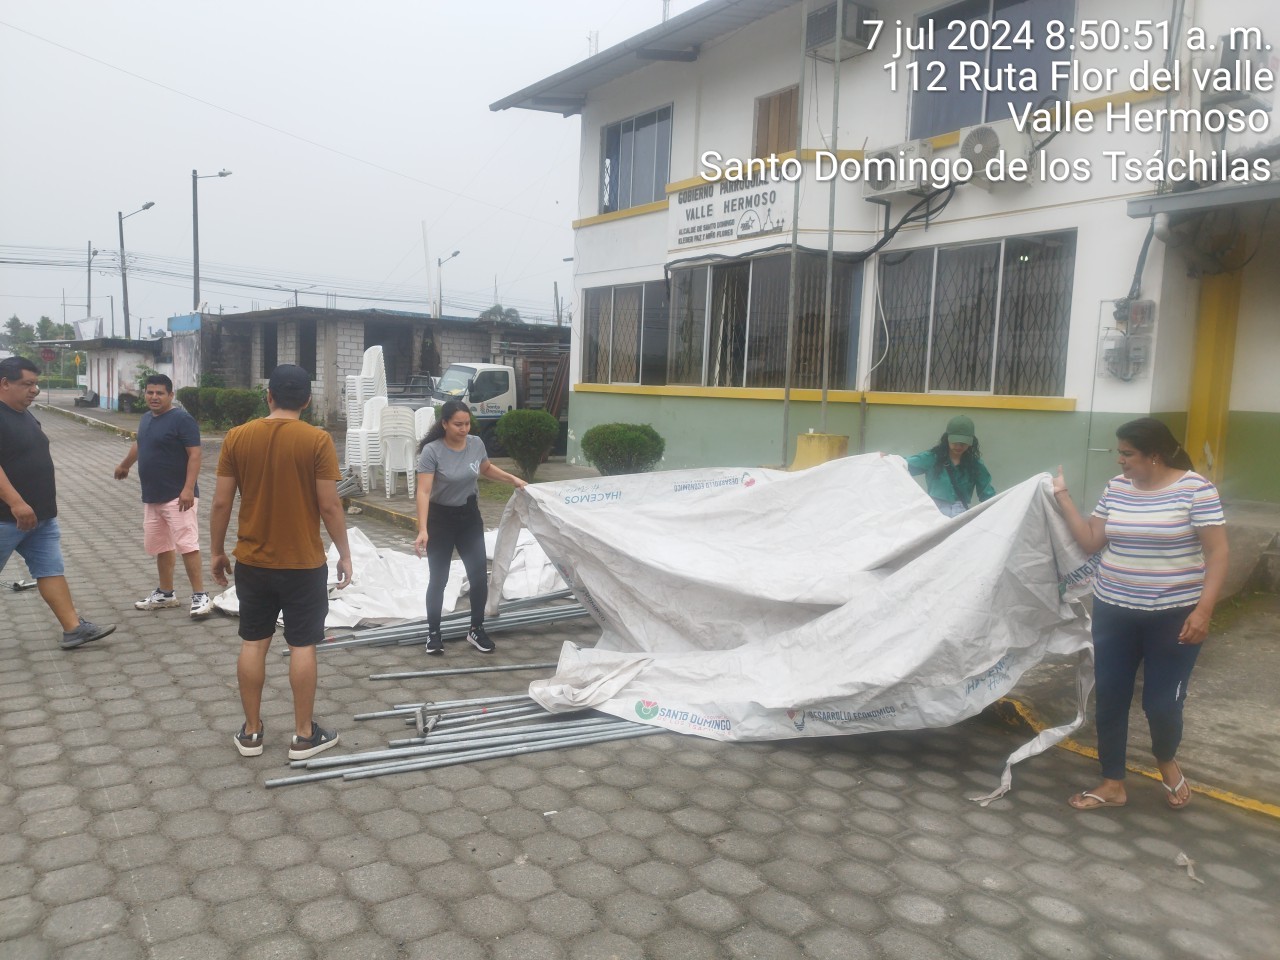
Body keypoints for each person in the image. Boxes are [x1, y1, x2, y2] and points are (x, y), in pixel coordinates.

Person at [1053, 417, 1228, 812]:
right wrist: (1062, 496)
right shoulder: (1116, 488)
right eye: (1120, 453)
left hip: (1174, 616)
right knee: (1111, 696)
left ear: (1155, 455)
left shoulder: (1196, 490)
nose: (1120, 461)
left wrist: (1203, 610)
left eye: (1127, 454)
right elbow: (1091, 541)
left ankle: (1165, 759)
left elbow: (1218, 553)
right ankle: (1112, 782)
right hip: (1114, 611)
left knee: (1162, 703)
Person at [209, 364, 353, 761]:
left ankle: (251, 733)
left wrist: (216, 550)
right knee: (302, 644)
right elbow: (329, 505)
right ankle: (304, 736)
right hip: (303, 563)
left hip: (253, 561)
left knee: (253, 641)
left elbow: (221, 502)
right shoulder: (317, 440)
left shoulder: (237, 437)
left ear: (268, 396)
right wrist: (344, 552)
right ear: (307, 401)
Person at [0, 356, 115, 649]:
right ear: (5, 383)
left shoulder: (25, 414)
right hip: (7, 518)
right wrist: (16, 502)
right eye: (27, 384)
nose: (34, 390)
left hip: (40, 518)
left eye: (36, 384)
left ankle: (74, 629)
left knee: (50, 570)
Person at [413, 399, 527, 655]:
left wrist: (512, 479)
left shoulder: (476, 444)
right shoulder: (432, 451)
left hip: (469, 518)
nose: (464, 429)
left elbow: (485, 468)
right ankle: (434, 633)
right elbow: (423, 491)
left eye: (467, 424)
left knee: (478, 577)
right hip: (440, 520)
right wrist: (423, 529)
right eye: (458, 424)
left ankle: (476, 629)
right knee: (439, 578)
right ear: (444, 424)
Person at [114, 374, 212, 617]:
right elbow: (140, 443)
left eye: (160, 393)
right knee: (162, 545)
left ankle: (200, 595)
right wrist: (125, 465)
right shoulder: (147, 418)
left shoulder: (182, 419)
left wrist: (188, 488)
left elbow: (195, 454)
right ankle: (166, 593)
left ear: (171, 395)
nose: (154, 397)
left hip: (179, 496)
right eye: (150, 392)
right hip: (153, 495)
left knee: (187, 544)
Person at [905, 414, 996, 517]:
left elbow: (988, 495)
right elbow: (902, 465)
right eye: (955, 442)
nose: (959, 446)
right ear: (947, 439)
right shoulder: (932, 458)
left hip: (960, 514)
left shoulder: (976, 464)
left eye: (963, 443)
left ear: (971, 442)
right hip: (934, 512)